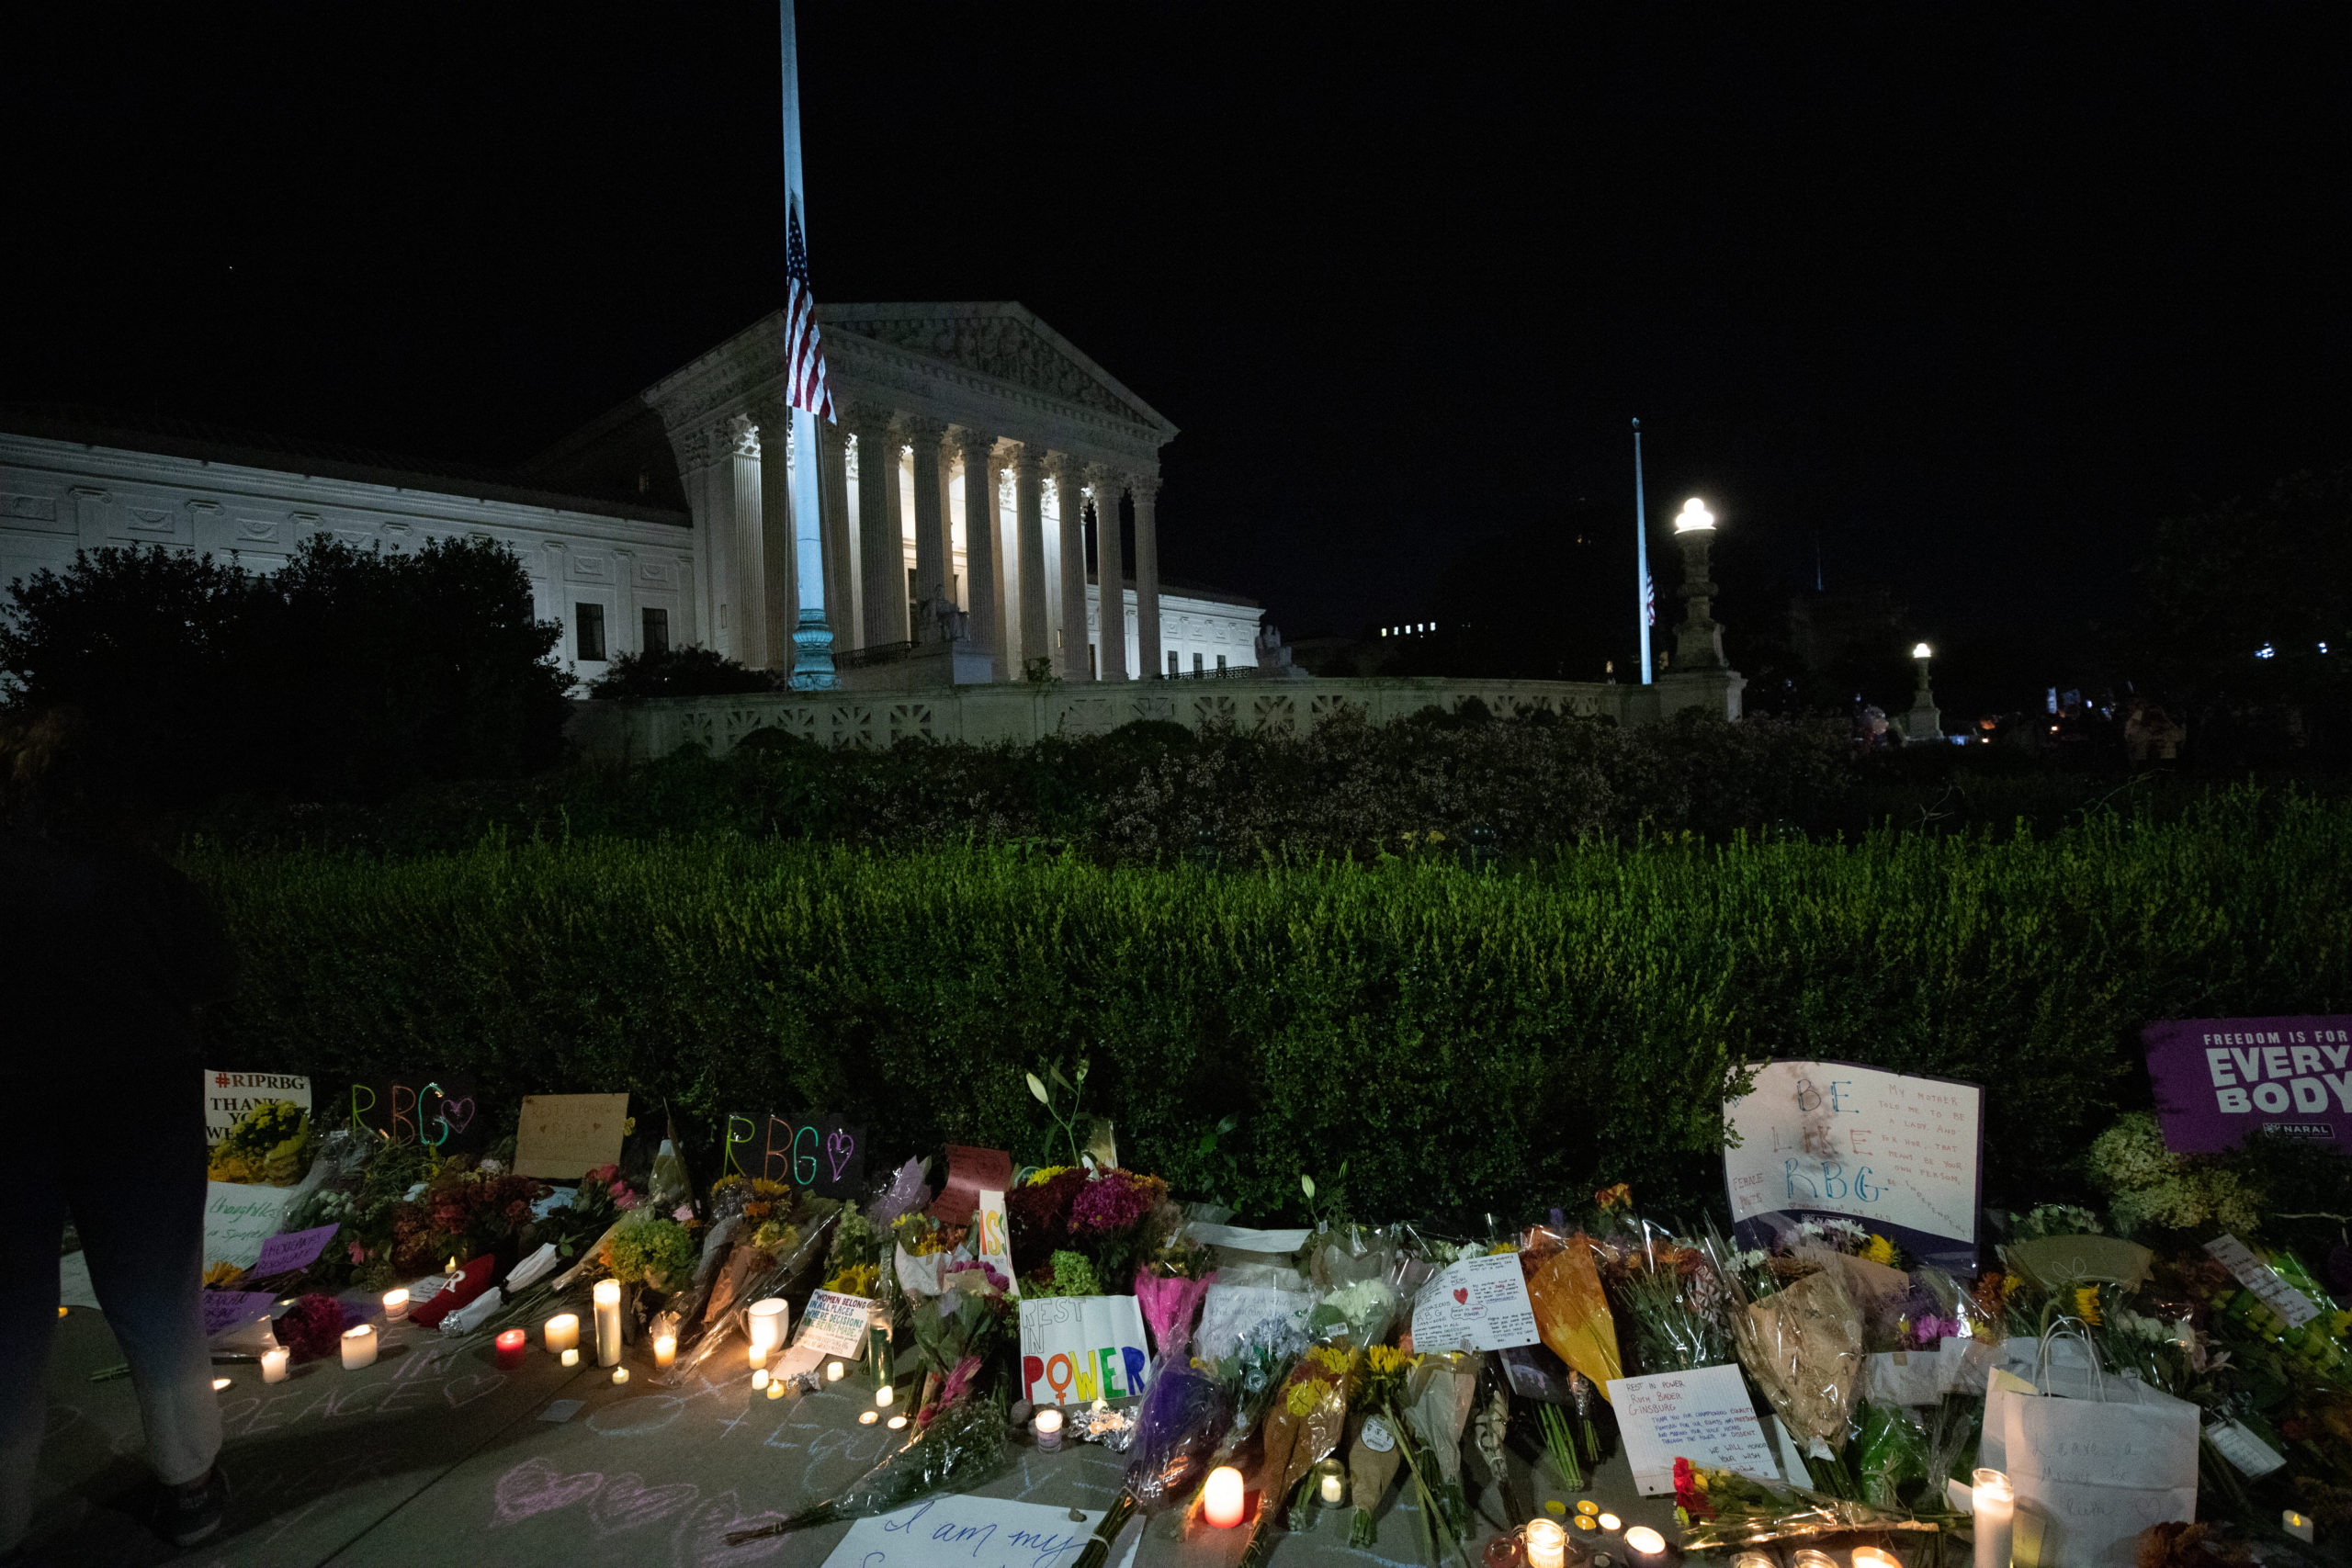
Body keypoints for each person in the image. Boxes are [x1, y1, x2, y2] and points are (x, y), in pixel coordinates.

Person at [0, 709, 236, 1555]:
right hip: (139, 1118)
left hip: (12, 1121)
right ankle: (189, 1486)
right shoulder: (151, 882)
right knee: (158, 1305)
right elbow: (212, 977)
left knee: (9, 1329)